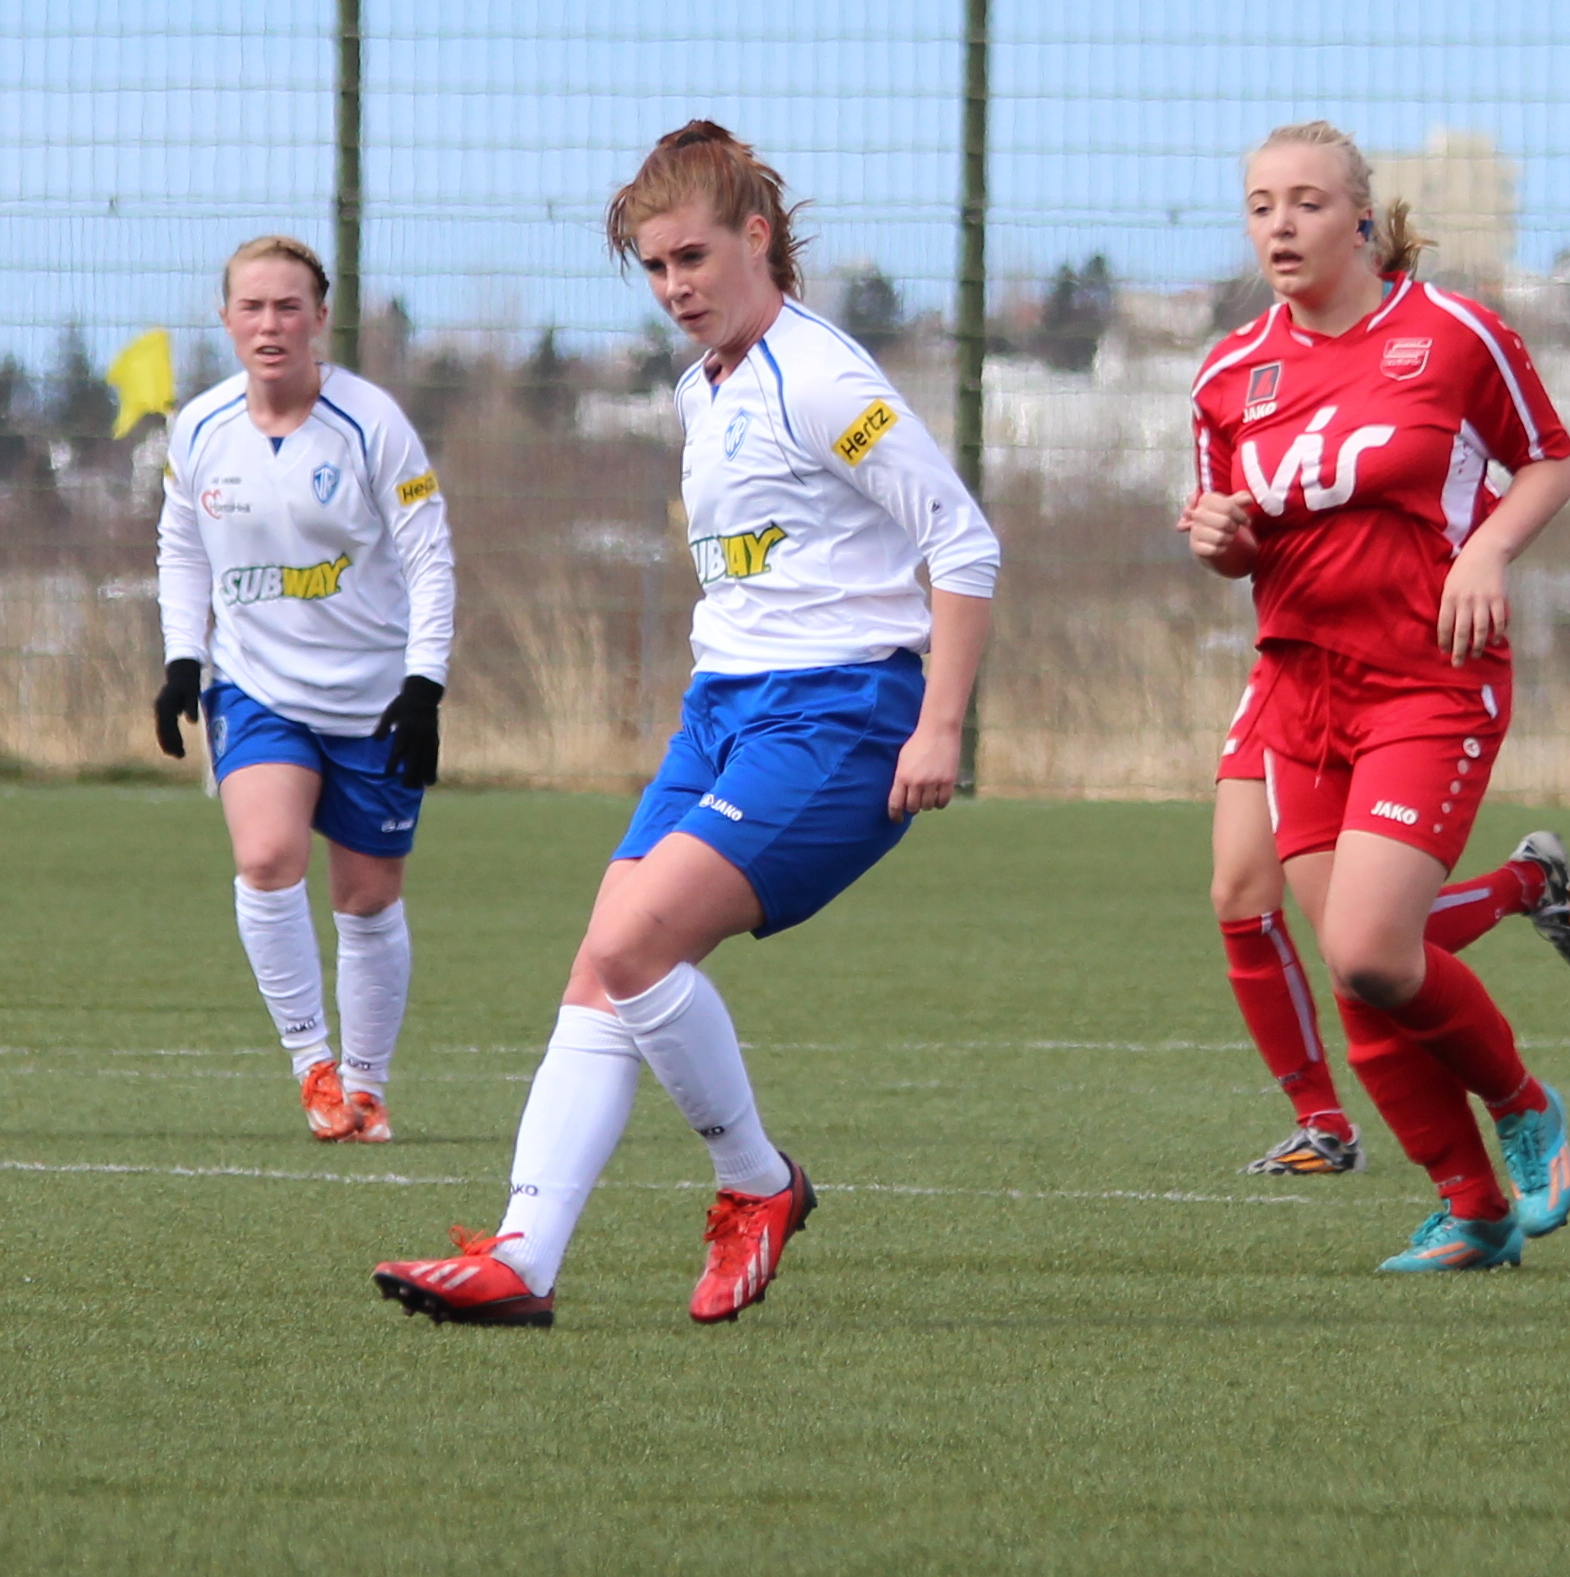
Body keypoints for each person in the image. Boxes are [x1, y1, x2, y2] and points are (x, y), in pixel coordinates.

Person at [377, 122, 994, 1328]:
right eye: (655, 267)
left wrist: (941, 725)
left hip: (841, 717)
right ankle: (523, 1257)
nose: (675, 286)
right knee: (603, 959)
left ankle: (757, 1180)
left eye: (693, 257)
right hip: (723, 714)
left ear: (757, 236)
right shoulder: (699, 388)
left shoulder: (822, 378)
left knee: (635, 942)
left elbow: (963, 542)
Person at [1182, 122, 1570, 1272]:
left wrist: (1486, 551)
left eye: (1307, 202)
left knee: (1367, 947)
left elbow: (1551, 458)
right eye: (1262, 204)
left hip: (1428, 678)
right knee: (1362, 977)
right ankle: (1472, 1207)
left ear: (1362, 216)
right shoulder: (1226, 373)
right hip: (1301, 689)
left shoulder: (1451, 331)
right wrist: (1219, 537)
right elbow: (1240, 542)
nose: (1281, 225)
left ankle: (1524, 1105)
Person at [151, 235, 456, 1143]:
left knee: (365, 899)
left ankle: (366, 1083)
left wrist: (424, 685)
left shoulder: (372, 425)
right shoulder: (200, 427)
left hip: (373, 699)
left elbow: (429, 558)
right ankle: (311, 1065)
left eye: (288, 307)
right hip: (256, 687)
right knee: (266, 857)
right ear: (225, 318)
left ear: (319, 318)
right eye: (251, 307)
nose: (270, 324)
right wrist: (181, 660)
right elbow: (179, 547)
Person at [1212, 741, 1570, 1180]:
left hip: (1351, 709)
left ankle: (1528, 882)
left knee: (1355, 938)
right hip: (1277, 704)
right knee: (1237, 896)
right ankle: (1323, 1126)